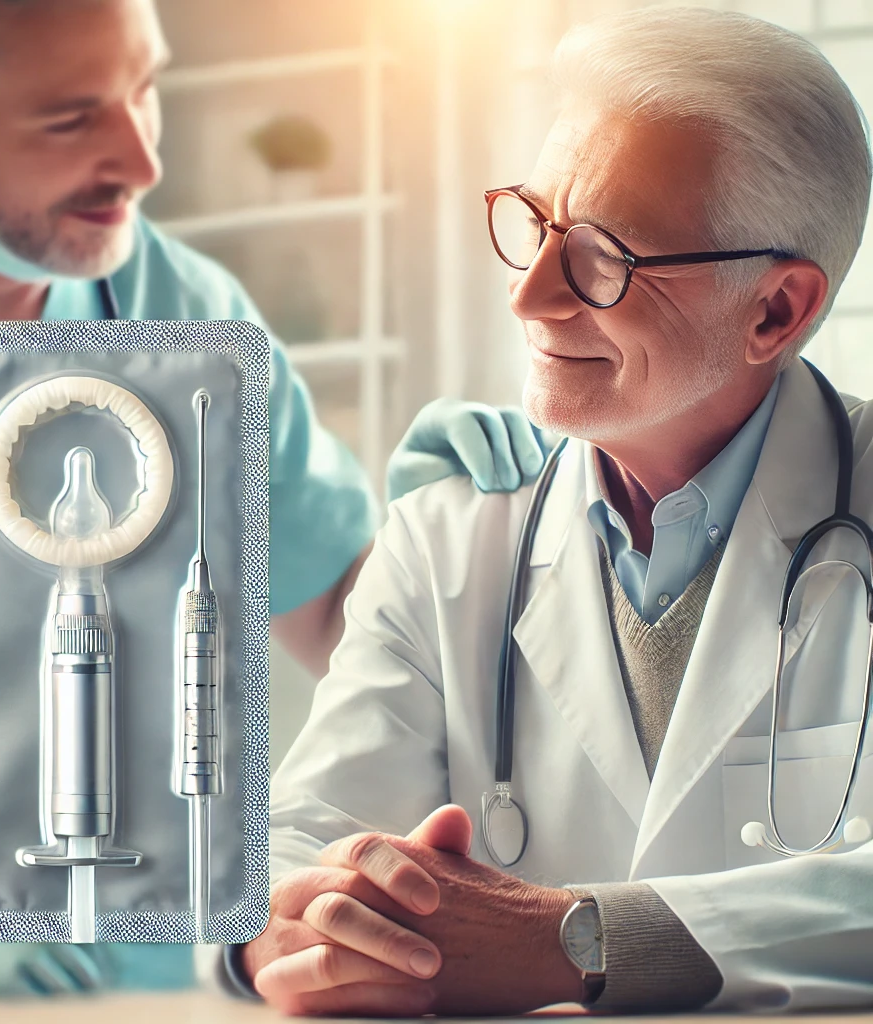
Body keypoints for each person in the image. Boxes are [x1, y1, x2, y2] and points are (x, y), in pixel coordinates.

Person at [0, 0, 541, 995]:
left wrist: (431, 546)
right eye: (71, 118)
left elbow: (347, 628)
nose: (140, 161)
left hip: (182, 982)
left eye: (146, 89)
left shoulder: (189, 315)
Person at [218, 7, 873, 1016]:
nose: (528, 297)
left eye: (603, 258)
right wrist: (295, 932)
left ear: (774, 310)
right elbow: (293, 840)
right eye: (534, 222)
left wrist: (578, 943)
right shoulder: (450, 531)